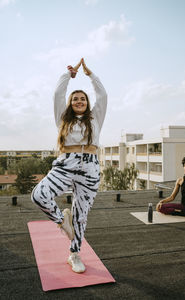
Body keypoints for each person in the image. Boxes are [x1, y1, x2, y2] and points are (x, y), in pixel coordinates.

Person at [31, 58, 107, 273]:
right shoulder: (62, 119)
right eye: (75, 99)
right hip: (65, 165)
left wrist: (91, 75)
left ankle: (74, 254)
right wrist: (69, 75)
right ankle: (62, 221)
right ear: (71, 103)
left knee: (81, 215)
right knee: (39, 195)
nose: (79, 101)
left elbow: (103, 96)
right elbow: (57, 95)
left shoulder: (95, 119)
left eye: (82, 98)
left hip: (90, 168)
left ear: (87, 102)